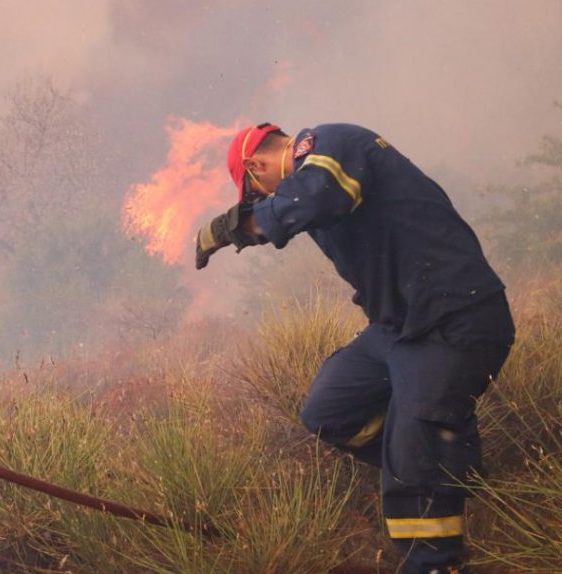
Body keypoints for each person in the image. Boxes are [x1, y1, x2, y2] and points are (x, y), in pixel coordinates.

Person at [196, 123, 514, 574]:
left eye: (256, 193)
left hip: (455, 320)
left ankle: (433, 561)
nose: (264, 203)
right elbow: (308, 207)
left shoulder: (331, 146)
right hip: (398, 329)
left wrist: (239, 225)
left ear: (255, 166)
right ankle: (450, 464)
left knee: (412, 451)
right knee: (329, 412)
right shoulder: (307, 185)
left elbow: (319, 195)